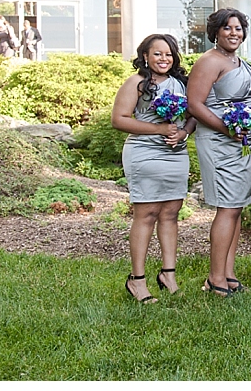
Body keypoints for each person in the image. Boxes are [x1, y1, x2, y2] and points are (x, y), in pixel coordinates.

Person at [111, 34, 196, 303]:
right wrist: (158, 129)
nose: (164, 59)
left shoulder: (182, 83)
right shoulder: (136, 83)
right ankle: (137, 281)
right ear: (145, 56)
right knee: (146, 213)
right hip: (145, 153)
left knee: (171, 213)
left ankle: (168, 275)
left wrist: (183, 132)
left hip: (175, 154)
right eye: (157, 54)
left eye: (168, 54)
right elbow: (119, 119)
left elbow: (193, 116)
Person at [187, 8, 251, 297]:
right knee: (227, 207)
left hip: (242, 140)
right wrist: (227, 129)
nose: (234, 33)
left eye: (239, 28)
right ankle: (215, 277)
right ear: (215, 33)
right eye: (227, 28)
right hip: (220, 141)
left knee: (236, 208)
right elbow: (195, 104)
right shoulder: (209, 61)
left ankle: (228, 273)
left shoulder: (238, 61)